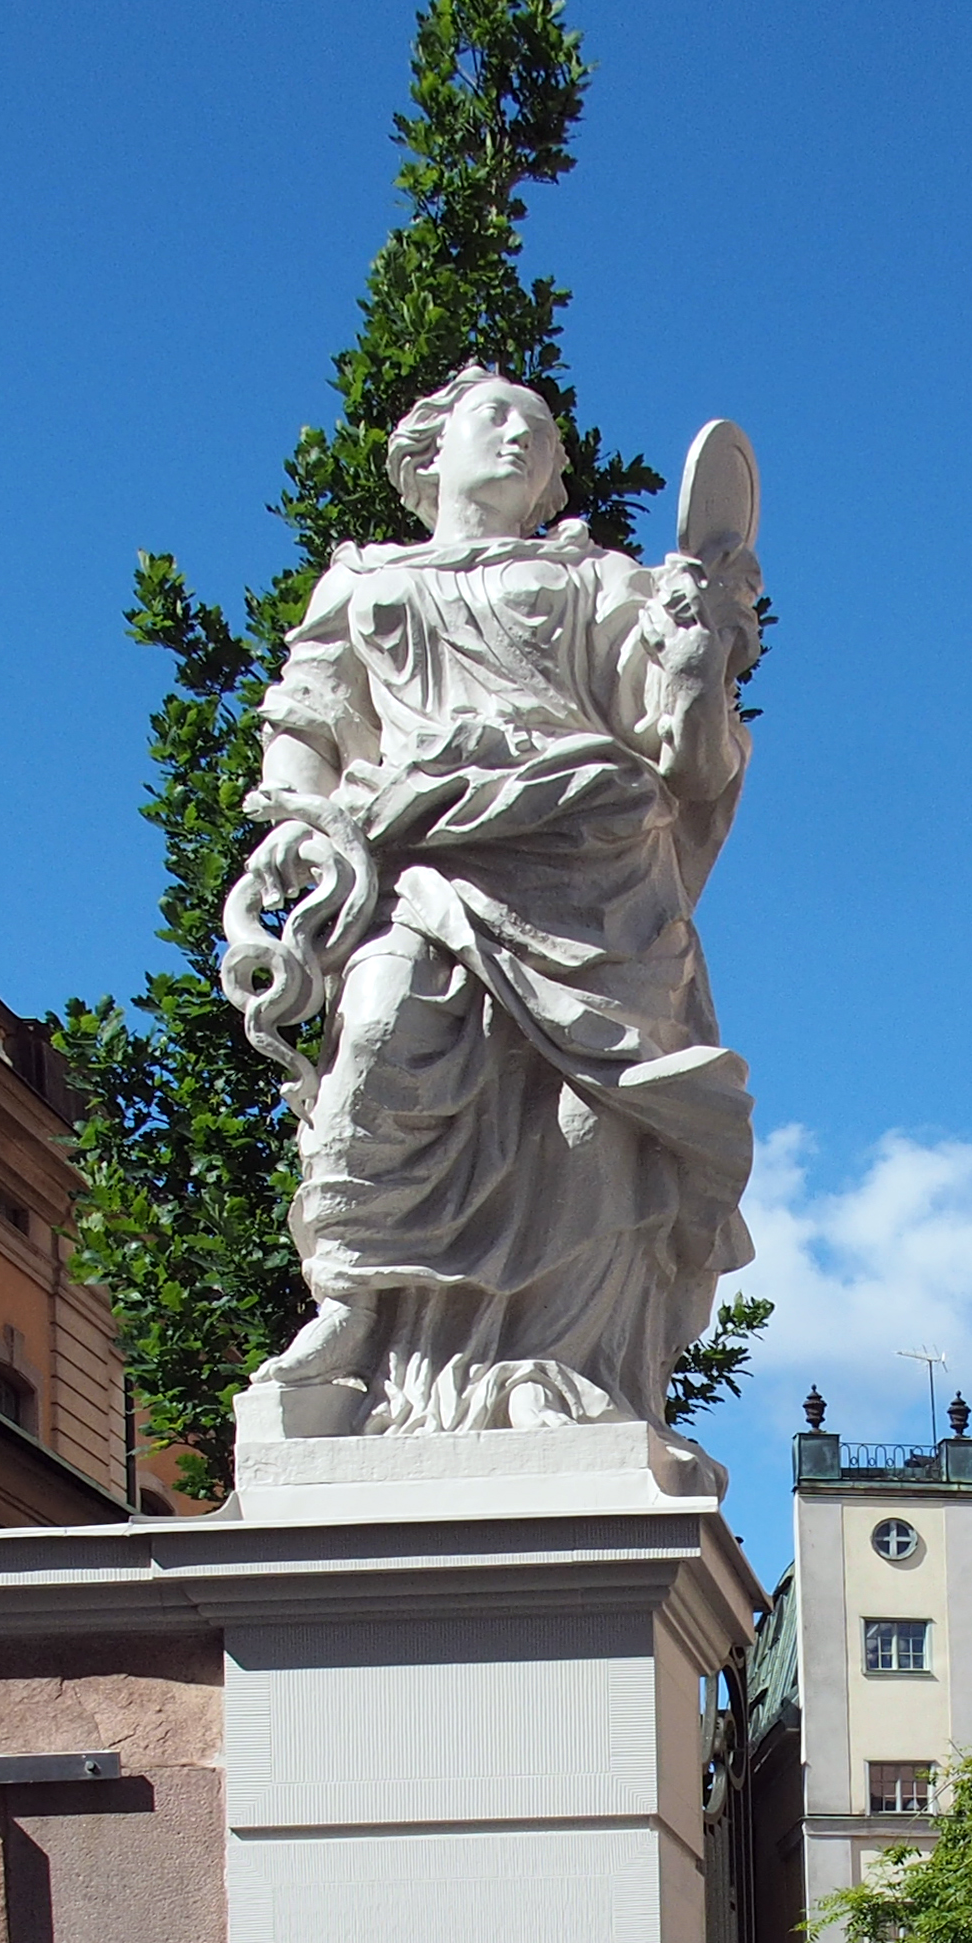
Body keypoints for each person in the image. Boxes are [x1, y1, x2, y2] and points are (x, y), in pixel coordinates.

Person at [222, 364, 762, 1440]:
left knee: (576, 1120)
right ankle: (356, 1310)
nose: (521, 439)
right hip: (418, 851)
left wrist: (699, 657)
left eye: (540, 431)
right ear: (429, 452)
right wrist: (292, 818)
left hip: (587, 860)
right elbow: (307, 724)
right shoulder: (366, 582)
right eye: (497, 418)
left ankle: (548, 1369)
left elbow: (681, 748)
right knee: (378, 1036)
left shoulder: (598, 580)